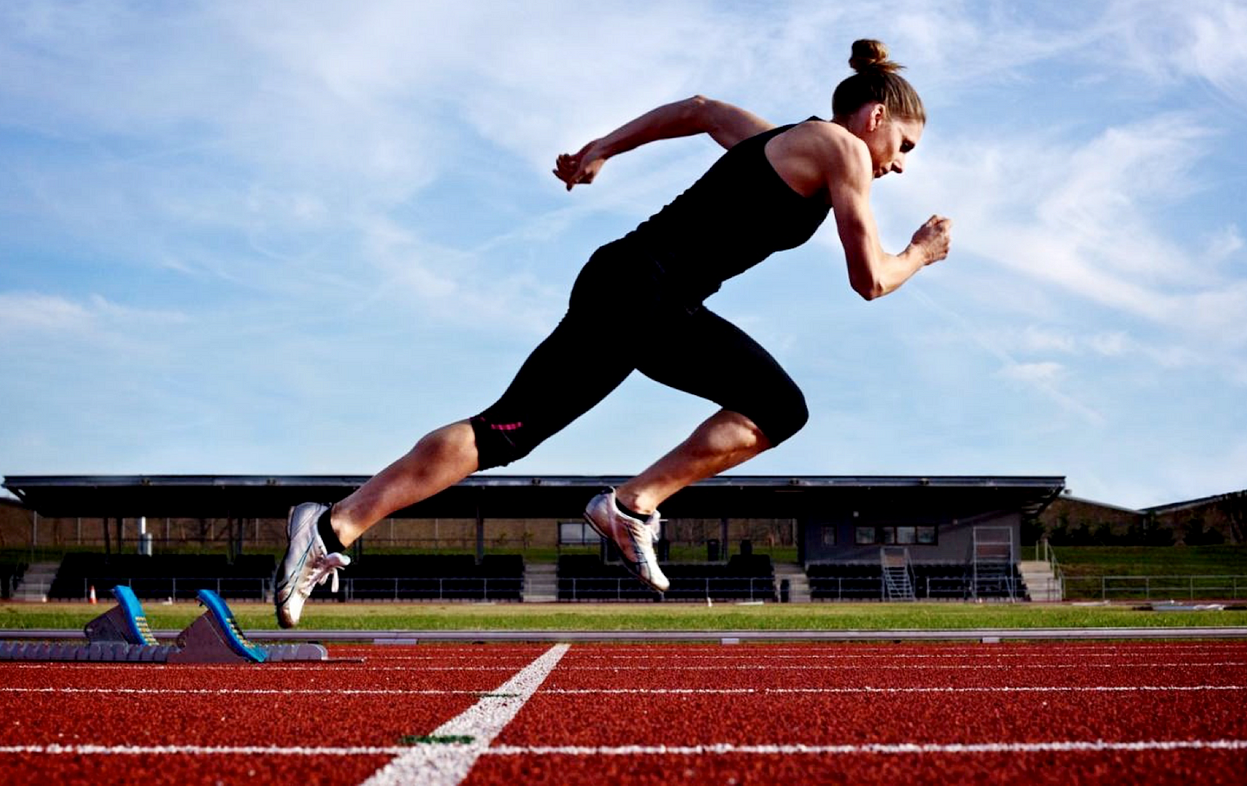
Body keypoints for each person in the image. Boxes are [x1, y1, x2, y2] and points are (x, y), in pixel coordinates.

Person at [273, 38, 952, 628]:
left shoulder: (776, 140)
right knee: (512, 430)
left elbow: (699, 109)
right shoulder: (844, 151)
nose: (898, 164)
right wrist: (920, 253)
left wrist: (602, 147)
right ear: (876, 116)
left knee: (768, 409)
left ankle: (625, 506)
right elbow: (870, 279)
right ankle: (337, 525)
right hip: (640, 290)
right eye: (904, 146)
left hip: (652, 299)